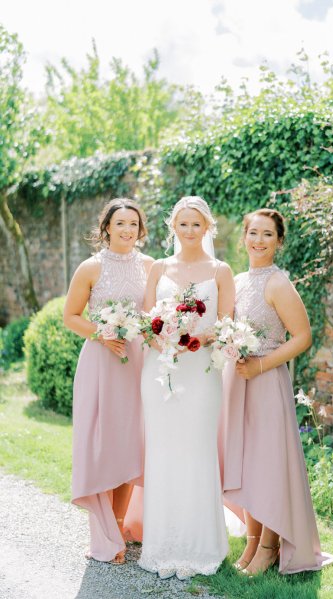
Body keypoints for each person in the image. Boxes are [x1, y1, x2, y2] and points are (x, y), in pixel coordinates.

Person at [221, 208, 333, 575]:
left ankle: (270, 547)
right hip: (238, 382)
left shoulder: (279, 283)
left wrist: (259, 365)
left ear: (279, 241)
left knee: (268, 464)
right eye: (252, 233)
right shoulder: (237, 280)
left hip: (266, 381)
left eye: (267, 234)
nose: (258, 240)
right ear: (244, 238)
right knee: (247, 462)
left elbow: (302, 337)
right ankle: (252, 542)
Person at [138, 196, 235, 580]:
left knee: (196, 448)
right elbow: (147, 322)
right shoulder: (158, 268)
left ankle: (201, 545)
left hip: (201, 372)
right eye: (183, 224)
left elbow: (227, 322)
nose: (190, 230)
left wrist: (196, 335)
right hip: (159, 372)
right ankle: (162, 543)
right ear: (172, 227)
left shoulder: (221, 270)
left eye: (196, 224)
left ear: (207, 227)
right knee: (162, 450)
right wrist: (164, 337)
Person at [64, 198, 154, 564]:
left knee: (131, 445)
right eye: (120, 223)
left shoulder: (150, 267)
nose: (127, 230)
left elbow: (154, 316)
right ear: (106, 228)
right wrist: (101, 333)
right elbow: (70, 315)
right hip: (101, 363)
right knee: (103, 445)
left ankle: (119, 524)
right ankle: (103, 533)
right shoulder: (90, 267)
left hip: (137, 364)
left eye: (133, 223)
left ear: (140, 229)